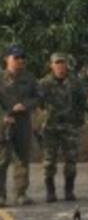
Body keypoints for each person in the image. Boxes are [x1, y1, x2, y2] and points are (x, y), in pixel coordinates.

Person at [38, 52, 88, 202]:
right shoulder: (44, 84)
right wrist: (42, 119)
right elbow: (37, 104)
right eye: (57, 63)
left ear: (67, 65)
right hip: (50, 128)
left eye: (63, 63)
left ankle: (69, 191)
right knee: (49, 161)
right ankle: (50, 192)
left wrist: (79, 120)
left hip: (70, 127)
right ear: (51, 65)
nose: (60, 66)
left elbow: (82, 102)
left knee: (71, 160)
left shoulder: (75, 83)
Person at [0, 45, 42, 207]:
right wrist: (4, 115)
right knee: (2, 160)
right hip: (3, 123)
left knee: (22, 159)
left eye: (22, 57)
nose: (20, 60)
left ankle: (21, 194)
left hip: (23, 122)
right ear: (7, 59)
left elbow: (38, 97)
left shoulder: (29, 78)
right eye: (16, 57)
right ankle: (1, 196)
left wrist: (25, 105)